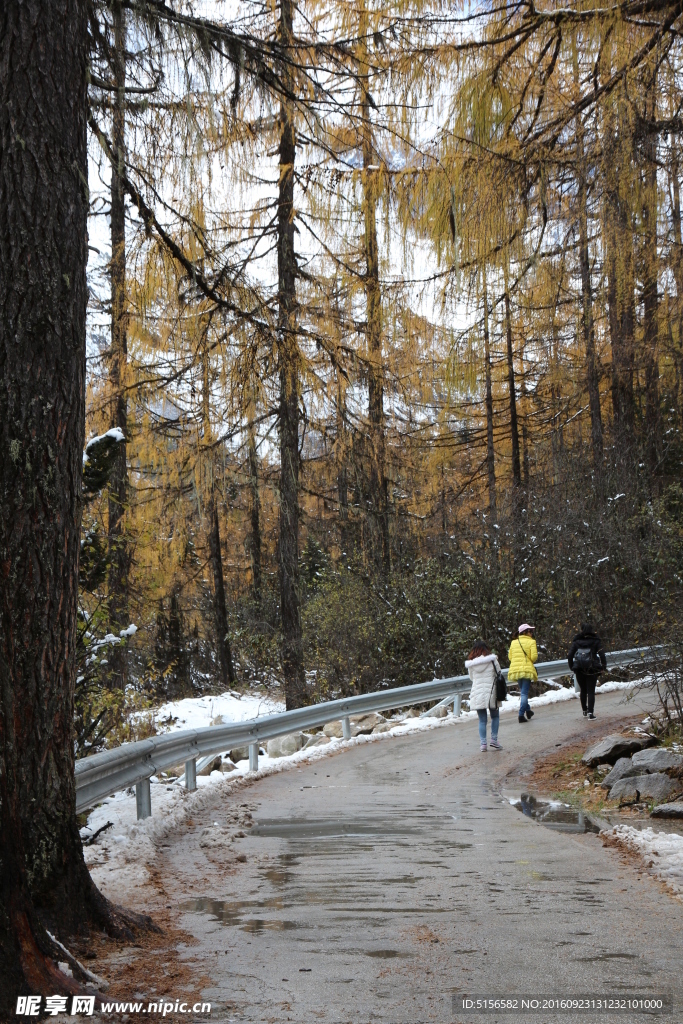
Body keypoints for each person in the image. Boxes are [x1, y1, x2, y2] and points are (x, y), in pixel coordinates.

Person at [465, 641, 503, 752]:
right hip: (491, 691)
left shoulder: (471, 664)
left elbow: (471, 678)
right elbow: (498, 672)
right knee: (495, 716)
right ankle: (494, 740)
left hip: (477, 692)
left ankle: (483, 744)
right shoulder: (492, 660)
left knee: (482, 720)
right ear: (486, 649)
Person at [567, 623, 607, 720]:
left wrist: (572, 667)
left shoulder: (577, 641)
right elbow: (602, 654)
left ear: (582, 630)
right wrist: (603, 667)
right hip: (592, 669)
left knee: (583, 690)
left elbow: (570, 655)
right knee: (591, 691)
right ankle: (590, 713)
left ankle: (584, 710)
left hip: (579, 669)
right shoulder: (595, 641)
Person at [507, 623, 538, 724]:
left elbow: (510, 657)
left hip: (516, 670)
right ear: (524, 632)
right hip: (526, 670)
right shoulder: (532, 642)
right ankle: (521, 715)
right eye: (530, 631)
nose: (531, 633)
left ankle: (528, 711)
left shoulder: (513, 643)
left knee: (523, 691)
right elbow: (533, 657)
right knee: (524, 693)